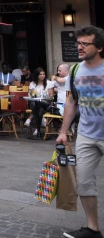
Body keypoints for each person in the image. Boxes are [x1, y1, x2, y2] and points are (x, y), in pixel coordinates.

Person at [58, 26, 104, 238]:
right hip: (86, 134)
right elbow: (70, 101)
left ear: (100, 47)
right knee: (84, 181)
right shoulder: (75, 71)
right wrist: (63, 131)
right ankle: (93, 229)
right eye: (79, 43)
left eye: (85, 44)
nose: (80, 47)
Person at [26, 67, 54, 137]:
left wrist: (44, 98)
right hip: (36, 103)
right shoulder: (33, 84)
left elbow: (51, 96)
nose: (42, 76)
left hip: (47, 103)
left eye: (43, 74)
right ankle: (38, 129)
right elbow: (31, 95)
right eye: (40, 74)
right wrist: (34, 95)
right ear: (37, 75)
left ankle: (30, 118)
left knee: (40, 104)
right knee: (39, 108)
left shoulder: (49, 83)